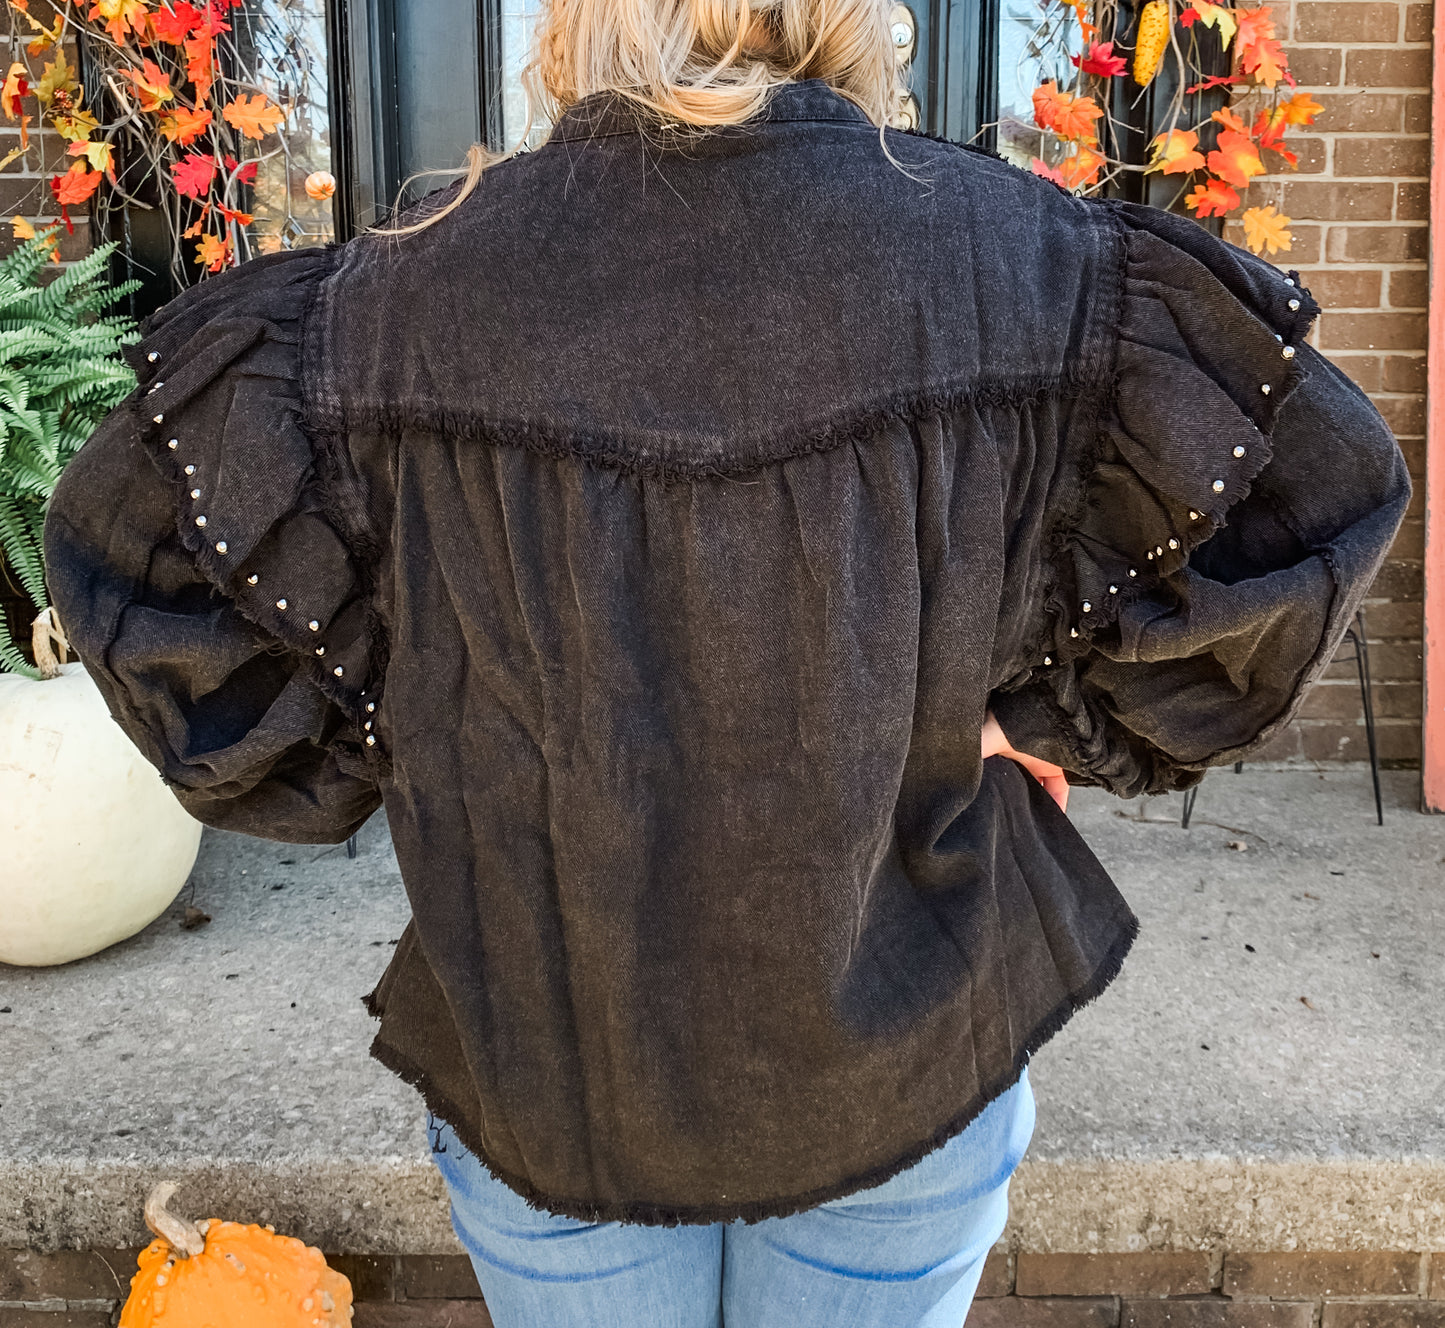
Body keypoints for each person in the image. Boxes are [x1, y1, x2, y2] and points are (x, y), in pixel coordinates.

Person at [43, 0, 1408, 1320]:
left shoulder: (383, 302)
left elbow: (138, 576)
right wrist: (1037, 714)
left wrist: (416, 724)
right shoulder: (1032, 266)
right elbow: (1318, 493)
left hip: (551, 1049)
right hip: (904, 1039)